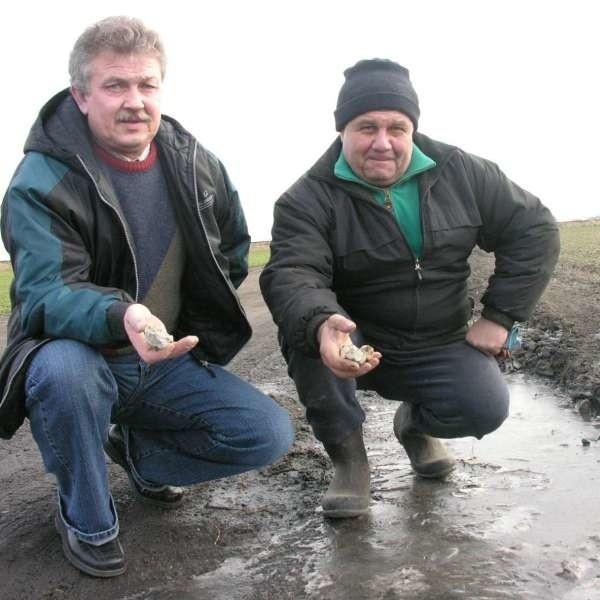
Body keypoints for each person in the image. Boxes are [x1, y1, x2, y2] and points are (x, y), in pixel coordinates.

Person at [0, 16, 294, 577]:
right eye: (115, 86)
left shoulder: (195, 161)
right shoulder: (41, 179)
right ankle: (86, 518)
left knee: (265, 434)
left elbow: (231, 248)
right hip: (79, 356)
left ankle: (137, 456)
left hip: (161, 362)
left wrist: (193, 314)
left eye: (147, 85)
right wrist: (123, 314)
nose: (135, 102)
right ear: (81, 96)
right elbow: (44, 291)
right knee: (65, 374)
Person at [259, 58, 559, 519]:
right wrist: (323, 324)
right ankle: (349, 461)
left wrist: (500, 317)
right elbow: (293, 272)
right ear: (342, 130)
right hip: (355, 338)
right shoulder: (306, 198)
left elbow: (534, 229)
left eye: (397, 127)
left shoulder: (461, 171)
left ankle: (415, 425)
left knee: (486, 408)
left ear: (412, 128)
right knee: (309, 334)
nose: (383, 143)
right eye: (366, 127)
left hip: (437, 338)